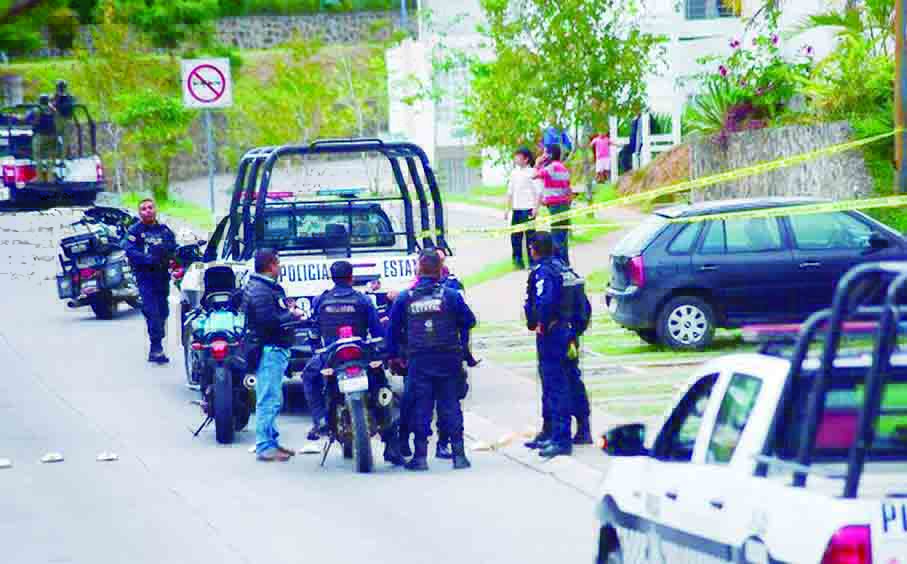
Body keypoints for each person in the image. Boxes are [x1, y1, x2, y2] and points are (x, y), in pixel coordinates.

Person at [300, 260, 405, 466]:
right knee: (383, 390)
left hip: (332, 355)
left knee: (308, 377)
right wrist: (385, 351)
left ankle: (320, 420)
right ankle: (391, 446)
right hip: (361, 354)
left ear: (332, 278)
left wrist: (315, 348)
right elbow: (377, 331)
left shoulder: (321, 300)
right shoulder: (363, 300)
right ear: (351, 277)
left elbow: (314, 333)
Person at [387, 249, 477, 471]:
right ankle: (459, 456)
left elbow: (392, 331)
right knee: (451, 405)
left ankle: (420, 457)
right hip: (448, 358)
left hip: (419, 359)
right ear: (439, 270)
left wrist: (393, 357)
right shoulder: (451, 295)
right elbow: (470, 321)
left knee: (422, 407)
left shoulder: (405, 298)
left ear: (418, 270)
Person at [523, 232, 592, 458]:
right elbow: (585, 305)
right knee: (572, 379)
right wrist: (575, 328)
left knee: (555, 384)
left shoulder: (544, 272)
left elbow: (544, 302)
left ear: (534, 249)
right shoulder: (565, 269)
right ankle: (581, 429)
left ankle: (560, 437)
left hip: (553, 334)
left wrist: (540, 323)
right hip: (569, 333)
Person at [242, 249, 305, 462]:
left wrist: (287, 310)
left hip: (273, 348)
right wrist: (291, 315)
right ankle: (265, 446)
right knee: (268, 399)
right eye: (278, 263)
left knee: (273, 397)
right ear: (270, 265)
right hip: (269, 349)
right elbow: (267, 321)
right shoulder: (261, 290)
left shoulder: (265, 287)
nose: (280, 267)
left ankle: (272, 441)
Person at [125, 198, 178, 364]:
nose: (147, 211)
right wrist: (148, 259)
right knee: (152, 311)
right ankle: (156, 347)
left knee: (163, 311)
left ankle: (157, 341)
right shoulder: (134, 231)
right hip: (145, 277)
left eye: (150, 207)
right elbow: (129, 250)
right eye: (143, 209)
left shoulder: (164, 230)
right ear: (139, 213)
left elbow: (173, 248)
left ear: (155, 210)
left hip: (162, 277)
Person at [534, 144, 573, 265]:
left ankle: (559, 265)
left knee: (556, 238)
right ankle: (565, 264)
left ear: (550, 155)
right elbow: (568, 189)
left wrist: (537, 163)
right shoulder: (563, 168)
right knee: (563, 238)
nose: (543, 155)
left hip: (556, 207)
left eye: (545, 153)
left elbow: (534, 176)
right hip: (564, 205)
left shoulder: (551, 168)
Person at [505, 147, 539, 269]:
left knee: (530, 237)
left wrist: (536, 208)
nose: (516, 159)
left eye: (518, 157)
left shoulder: (533, 172)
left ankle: (532, 262)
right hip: (517, 209)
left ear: (526, 159)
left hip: (528, 208)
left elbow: (538, 192)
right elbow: (510, 192)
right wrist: (507, 208)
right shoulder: (514, 173)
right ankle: (518, 261)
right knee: (515, 237)